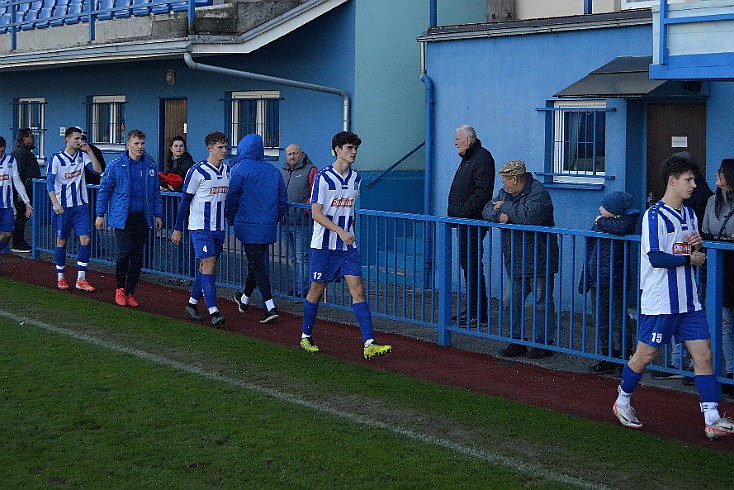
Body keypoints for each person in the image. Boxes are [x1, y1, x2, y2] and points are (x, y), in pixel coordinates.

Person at [612, 152, 734, 440]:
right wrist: (689, 260)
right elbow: (655, 257)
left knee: (704, 355)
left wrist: (696, 248)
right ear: (672, 181)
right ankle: (622, 401)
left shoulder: (691, 214)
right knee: (645, 356)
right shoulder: (653, 215)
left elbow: (690, 252)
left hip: (689, 300)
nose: (693, 185)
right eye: (688, 180)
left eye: (694, 179)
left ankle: (712, 418)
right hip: (660, 301)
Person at [297, 131, 392, 359]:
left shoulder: (356, 178)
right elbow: (316, 214)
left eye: (356, 148)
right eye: (350, 148)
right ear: (337, 150)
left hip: (347, 248)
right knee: (317, 290)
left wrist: (350, 233)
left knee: (358, 290)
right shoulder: (322, 177)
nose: (354, 152)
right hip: (323, 246)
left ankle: (369, 342)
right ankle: (305, 336)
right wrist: (340, 231)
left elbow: (351, 211)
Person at [483, 160, 558, 359]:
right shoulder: (505, 193)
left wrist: (505, 207)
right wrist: (498, 217)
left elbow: (529, 217)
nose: (502, 183)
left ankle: (543, 343)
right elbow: (487, 209)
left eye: (505, 179)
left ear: (514, 179)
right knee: (509, 301)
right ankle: (516, 341)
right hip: (516, 259)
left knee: (541, 302)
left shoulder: (539, 193)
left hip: (539, 258)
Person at [95, 129, 163, 307]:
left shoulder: (149, 166)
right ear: (128, 145)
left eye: (142, 144)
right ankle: (119, 288)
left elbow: (155, 192)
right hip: (122, 217)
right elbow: (105, 190)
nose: (140, 147)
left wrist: (157, 215)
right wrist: (100, 214)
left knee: (137, 255)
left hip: (142, 216)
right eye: (136, 144)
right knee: (125, 251)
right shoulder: (116, 165)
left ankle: (130, 291)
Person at [226, 133, 287, 323]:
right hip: (267, 224)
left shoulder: (239, 170)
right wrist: (273, 219)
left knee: (257, 264)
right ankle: (244, 299)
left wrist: (230, 219)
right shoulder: (273, 171)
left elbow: (232, 198)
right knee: (257, 262)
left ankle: (270, 305)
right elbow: (282, 201)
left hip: (247, 223)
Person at [171, 131, 230, 326]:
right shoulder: (197, 171)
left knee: (205, 267)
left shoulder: (228, 170)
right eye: (220, 147)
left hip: (219, 228)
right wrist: (178, 228)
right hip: (200, 227)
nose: (224, 151)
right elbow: (184, 202)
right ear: (209, 148)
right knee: (209, 264)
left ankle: (192, 304)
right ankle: (214, 311)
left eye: (225, 147)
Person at [578, 191, 639, 374]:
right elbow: (589, 255)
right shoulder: (599, 226)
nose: (600, 209)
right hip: (597, 279)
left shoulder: (625, 221)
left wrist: (600, 221)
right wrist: (586, 279)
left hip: (617, 280)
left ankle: (624, 357)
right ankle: (607, 356)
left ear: (613, 210)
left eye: (604, 207)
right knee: (600, 320)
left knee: (618, 319)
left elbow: (622, 228)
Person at [448, 125, 494, 326]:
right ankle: (474, 309)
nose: (455, 142)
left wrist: (463, 212)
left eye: (457, 139)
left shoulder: (482, 158)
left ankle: (479, 313)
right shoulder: (469, 159)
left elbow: (482, 193)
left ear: (468, 140)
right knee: (469, 265)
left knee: (472, 265)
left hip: (473, 221)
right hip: (465, 221)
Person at [47, 127, 103, 291]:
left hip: (80, 206)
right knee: (62, 241)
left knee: (85, 239)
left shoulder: (83, 155)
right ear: (68, 139)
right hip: (63, 207)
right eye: (77, 138)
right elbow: (49, 182)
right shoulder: (56, 158)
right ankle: (61, 277)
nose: (80, 141)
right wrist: (55, 203)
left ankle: (81, 279)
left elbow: (98, 170)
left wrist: (90, 151)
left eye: (81, 138)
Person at [701, 158, 734, 395]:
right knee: (723, 324)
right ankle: (729, 373)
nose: (716, 175)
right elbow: (705, 232)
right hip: (720, 268)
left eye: (720, 172)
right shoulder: (713, 201)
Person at [280, 143, 318, 298]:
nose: (292, 157)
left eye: (295, 153)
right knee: (291, 258)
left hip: (302, 222)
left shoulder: (311, 170)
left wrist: (306, 209)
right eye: (289, 154)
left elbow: (315, 193)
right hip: (284, 222)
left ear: (301, 154)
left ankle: (304, 291)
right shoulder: (282, 171)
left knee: (302, 257)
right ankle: (297, 287)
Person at [0, 136, 33, 266]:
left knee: (7, 234)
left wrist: (27, 201)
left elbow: (17, 180)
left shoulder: (10, 160)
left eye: (2, 150)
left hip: (6, 205)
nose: (0, 153)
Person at [10, 128, 41, 253]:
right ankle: (18, 242)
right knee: (23, 215)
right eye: (31, 136)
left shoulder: (23, 151)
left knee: (24, 215)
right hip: (23, 190)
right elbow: (17, 173)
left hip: (26, 188)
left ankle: (19, 241)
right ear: (24, 138)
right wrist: (19, 192)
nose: (33, 139)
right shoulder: (19, 153)